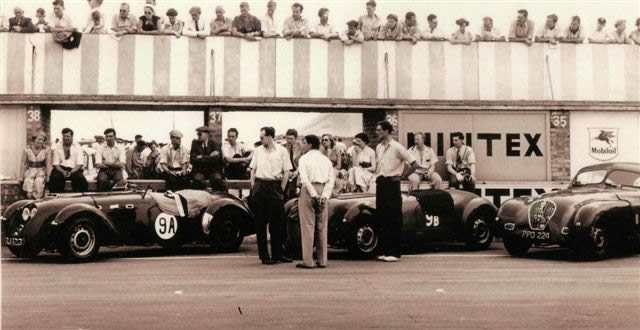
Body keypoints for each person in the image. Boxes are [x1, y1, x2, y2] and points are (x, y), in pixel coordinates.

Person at [374, 121, 418, 262]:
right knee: (382, 216)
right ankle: (384, 250)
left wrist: (403, 175)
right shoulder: (378, 147)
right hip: (381, 182)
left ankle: (394, 252)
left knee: (393, 217)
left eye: (380, 130)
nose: (377, 132)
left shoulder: (397, 147)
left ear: (387, 131)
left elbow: (414, 164)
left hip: (392, 183)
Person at [249, 126, 293, 265]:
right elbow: (253, 169)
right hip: (260, 185)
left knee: (277, 223)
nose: (261, 139)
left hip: (275, 185)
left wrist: (281, 189)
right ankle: (264, 256)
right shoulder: (258, 151)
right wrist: (253, 186)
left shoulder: (282, 151)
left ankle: (277, 254)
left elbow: (286, 171)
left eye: (262, 137)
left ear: (270, 137)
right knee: (261, 223)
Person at [296, 134, 335, 269]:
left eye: (305, 142)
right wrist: (324, 195)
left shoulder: (304, 159)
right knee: (321, 226)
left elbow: (304, 179)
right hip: (323, 188)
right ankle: (322, 260)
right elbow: (331, 179)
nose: (303, 145)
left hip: (309, 190)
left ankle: (308, 261)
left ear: (310, 144)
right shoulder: (326, 160)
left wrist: (313, 194)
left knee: (307, 226)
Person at [49, 128, 89, 193]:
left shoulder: (78, 147)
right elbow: (56, 164)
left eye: (68, 136)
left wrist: (71, 172)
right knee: (55, 179)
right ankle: (57, 200)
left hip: (74, 169)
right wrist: (63, 172)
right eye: (64, 136)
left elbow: (79, 164)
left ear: (72, 137)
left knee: (81, 180)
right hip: (61, 169)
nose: (66, 138)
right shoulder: (57, 147)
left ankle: (79, 199)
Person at [190, 126, 226, 191]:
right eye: (197, 134)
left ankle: (217, 198)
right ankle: (200, 199)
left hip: (213, 170)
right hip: (199, 170)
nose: (198, 136)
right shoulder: (195, 143)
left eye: (200, 134)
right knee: (197, 180)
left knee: (217, 180)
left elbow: (215, 160)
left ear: (206, 134)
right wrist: (209, 157)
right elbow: (192, 159)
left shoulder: (215, 143)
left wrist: (201, 157)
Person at [19, 133, 51, 199]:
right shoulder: (27, 149)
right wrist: (21, 176)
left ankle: (37, 199)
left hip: (41, 171)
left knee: (38, 181)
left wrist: (48, 176)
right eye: (39, 139)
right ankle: (29, 199)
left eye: (43, 140)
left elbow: (48, 164)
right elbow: (23, 163)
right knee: (28, 181)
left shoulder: (46, 150)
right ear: (34, 140)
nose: (41, 141)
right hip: (30, 170)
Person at [283, 128, 303, 200]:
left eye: (291, 139)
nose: (288, 141)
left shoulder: (301, 147)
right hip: (287, 171)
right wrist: (287, 171)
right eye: (287, 138)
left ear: (296, 138)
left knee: (293, 192)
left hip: (298, 172)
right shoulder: (283, 147)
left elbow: (303, 162)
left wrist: (297, 171)